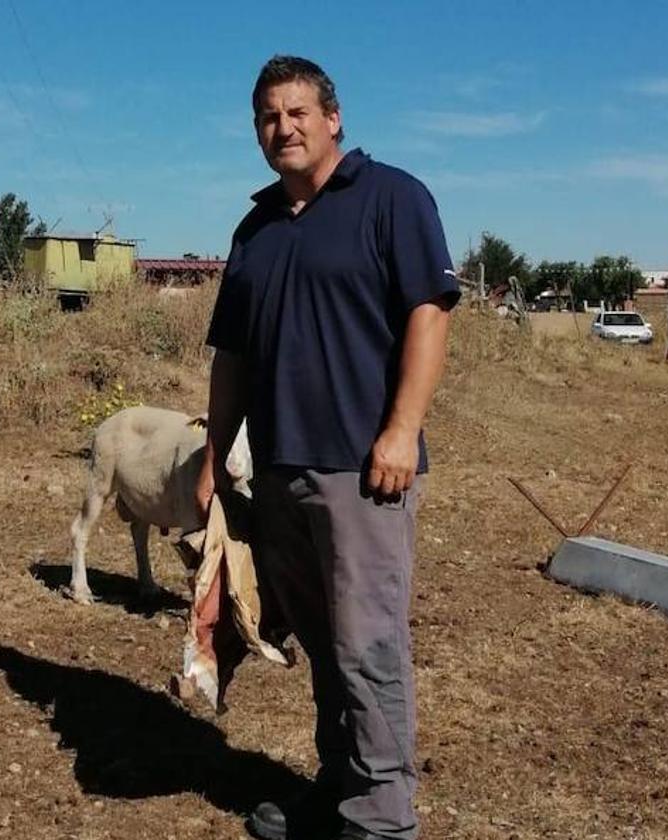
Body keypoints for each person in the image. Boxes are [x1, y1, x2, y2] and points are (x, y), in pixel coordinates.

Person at [196, 56, 459, 840]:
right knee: (320, 645)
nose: (285, 128)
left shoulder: (391, 198)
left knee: (367, 644)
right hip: (278, 472)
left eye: (299, 112)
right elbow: (231, 359)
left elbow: (430, 313)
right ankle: (341, 787)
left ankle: (381, 818)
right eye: (269, 118)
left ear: (333, 118)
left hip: (363, 470)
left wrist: (402, 430)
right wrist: (215, 459)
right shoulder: (256, 229)